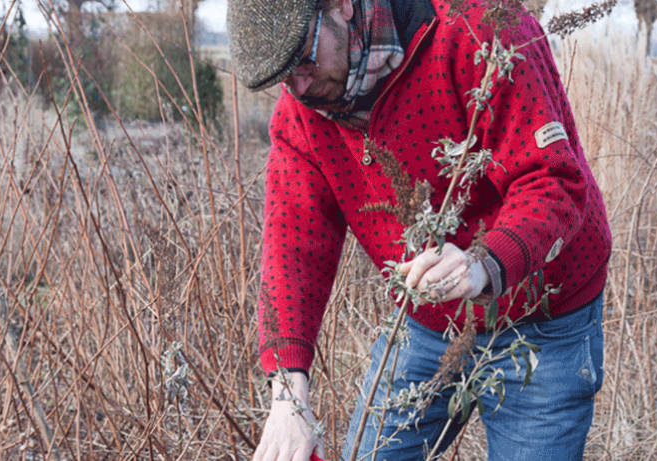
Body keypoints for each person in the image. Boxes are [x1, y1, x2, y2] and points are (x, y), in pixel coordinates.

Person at [227, 0, 612, 459]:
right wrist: (288, 397)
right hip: (428, 323)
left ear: (342, 6)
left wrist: (483, 262)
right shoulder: (302, 112)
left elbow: (554, 182)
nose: (299, 85)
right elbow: (292, 249)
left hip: (543, 322)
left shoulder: (479, 30)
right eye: (282, 77)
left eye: (304, 59)